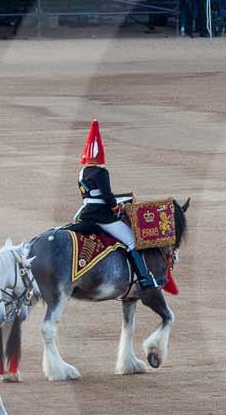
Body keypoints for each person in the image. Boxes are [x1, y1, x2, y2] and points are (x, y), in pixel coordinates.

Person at [67, 121, 159, 293]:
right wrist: (116, 208)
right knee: (132, 240)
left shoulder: (82, 173)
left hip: (86, 212)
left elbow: (88, 196)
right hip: (102, 216)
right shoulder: (101, 172)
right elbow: (107, 196)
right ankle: (145, 279)